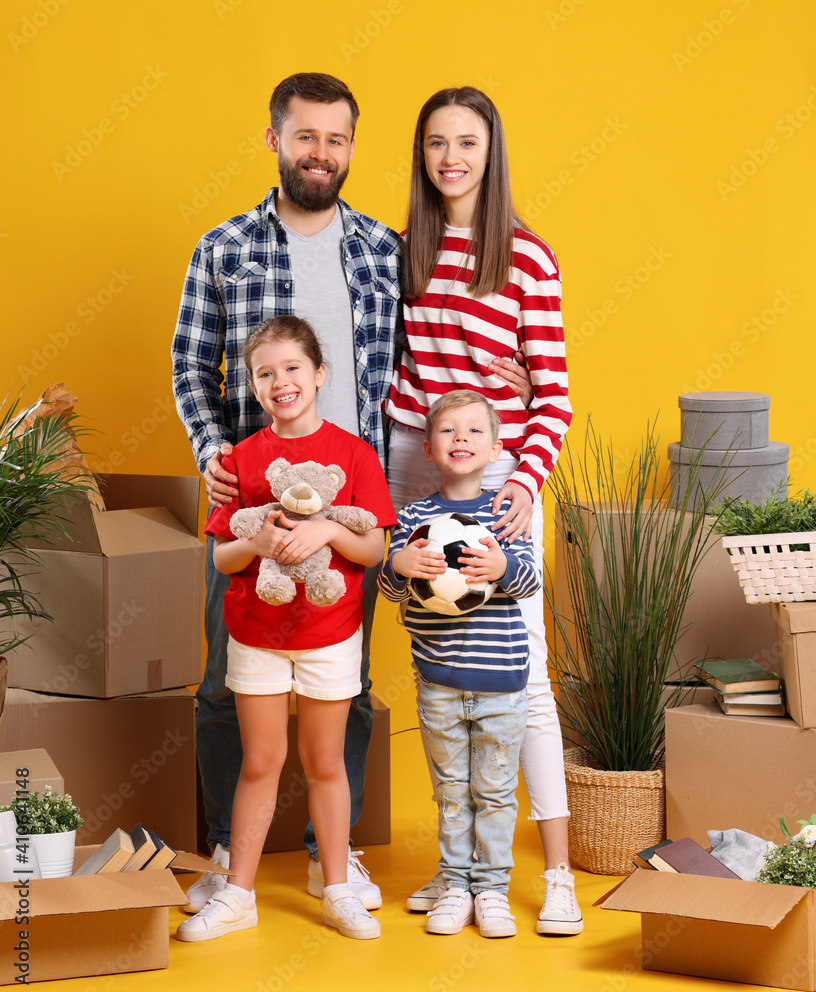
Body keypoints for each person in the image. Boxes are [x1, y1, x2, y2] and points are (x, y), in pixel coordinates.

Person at [171, 72, 403, 910]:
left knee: (351, 679)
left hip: (348, 509)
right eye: (305, 137)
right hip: (253, 506)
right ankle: (231, 859)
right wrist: (212, 450)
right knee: (224, 685)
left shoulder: (382, 250)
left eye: (336, 139)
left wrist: (499, 376)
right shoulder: (224, 248)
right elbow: (191, 366)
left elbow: (416, 366)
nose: (321, 153)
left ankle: (327, 857)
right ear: (275, 140)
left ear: (349, 147)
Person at [384, 87, 583, 935]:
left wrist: (523, 479)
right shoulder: (401, 254)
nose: (451, 157)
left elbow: (555, 395)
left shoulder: (528, 258)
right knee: (425, 630)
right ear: (421, 155)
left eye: (467, 142)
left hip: (495, 464)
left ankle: (560, 872)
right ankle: (457, 868)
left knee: (520, 659)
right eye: (435, 142)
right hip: (407, 452)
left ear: (491, 151)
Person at [177, 316, 396, 943]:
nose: (281, 382)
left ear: (321, 374)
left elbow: (375, 546)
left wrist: (326, 531)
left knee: (326, 762)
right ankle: (238, 894)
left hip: (331, 632)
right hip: (256, 636)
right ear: (252, 386)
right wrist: (259, 538)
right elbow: (220, 555)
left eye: (293, 368)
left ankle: (337, 890)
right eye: (264, 374)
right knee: (261, 761)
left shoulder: (354, 453)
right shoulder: (241, 460)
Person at [378, 390, 537, 937]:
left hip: (501, 683)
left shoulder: (508, 517)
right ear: (427, 448)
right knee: (450, 790)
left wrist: (498, 567)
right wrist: (398, 563)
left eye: (474, 431)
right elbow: (390, 591)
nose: (461, 439)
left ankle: (491, 889)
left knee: (493, 792)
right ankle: (454, 882)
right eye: (448, 431)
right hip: (439, 682)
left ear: (497, 449)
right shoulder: (415, 518)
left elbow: (530, 581)